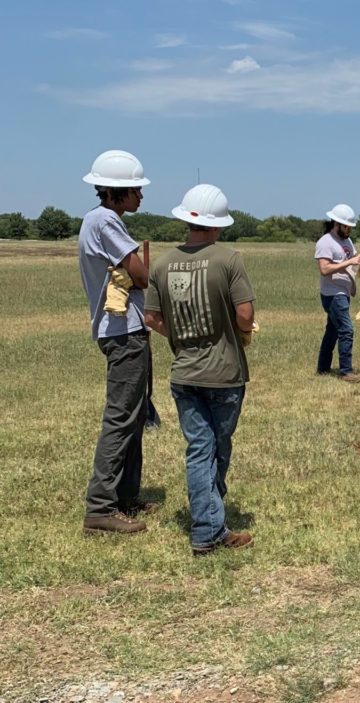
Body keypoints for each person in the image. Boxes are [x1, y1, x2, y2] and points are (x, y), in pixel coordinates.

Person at [143, 184, 257, 556]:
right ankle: (207, 529)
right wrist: (242, 334)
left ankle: (210, 520)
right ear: (217, 224)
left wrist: (178, 334)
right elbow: (245, 314)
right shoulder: (229, 259)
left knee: (199, 450)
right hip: (224, 373)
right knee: (217, 450)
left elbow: (152, 318)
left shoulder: (160, 264)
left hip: (184, 374)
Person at [78, 149, 155, 536]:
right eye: (134, 190)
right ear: (113, 192)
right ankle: (100, 508)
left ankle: (125, 496)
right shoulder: (106, 221)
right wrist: (140, 268)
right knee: (122, 417)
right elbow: (141, 276)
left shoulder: (104, 220)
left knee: (135, 415)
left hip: (127, 331)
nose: (140, 196)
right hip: (123, 334)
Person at [315, 203, 360, 382]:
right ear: (337, 224)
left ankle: (323, 368)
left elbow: (351, 258)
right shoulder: (325, 242)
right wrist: (349, 262)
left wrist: (359, 260)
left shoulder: (347, 241)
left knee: (332, 331)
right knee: (346, 329)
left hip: (343, 292)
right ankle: (346, 371)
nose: (349, 230)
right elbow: (324, 269)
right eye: (347, 226)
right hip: (332, 294)